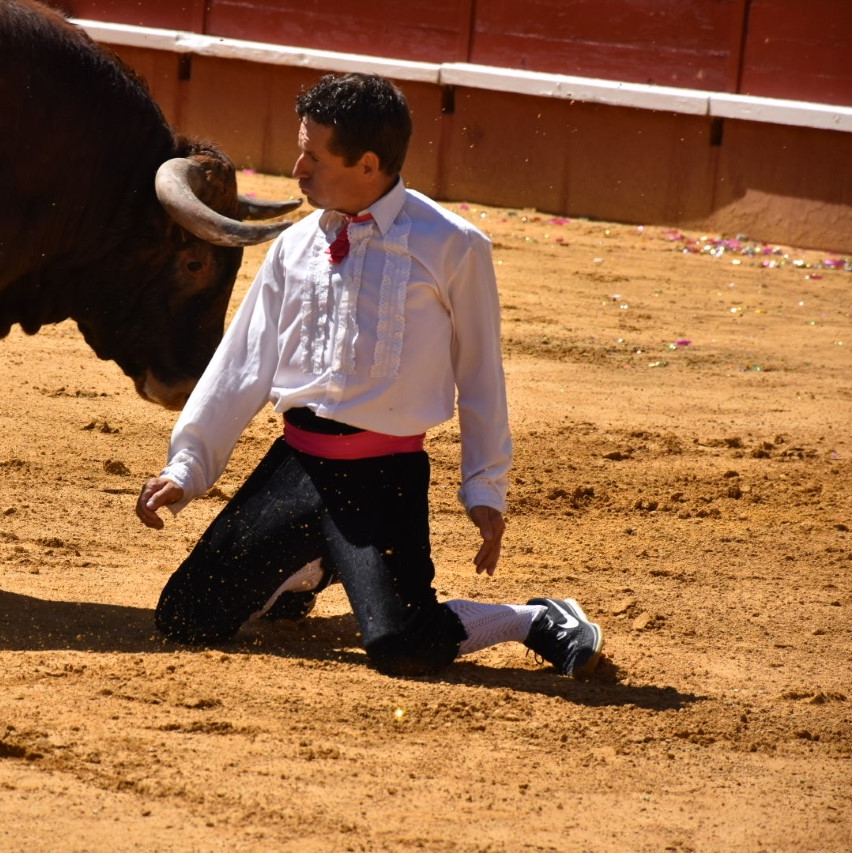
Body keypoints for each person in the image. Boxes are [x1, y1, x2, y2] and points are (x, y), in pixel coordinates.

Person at [135, 72, 603, 677]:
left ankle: (533, 618)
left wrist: (484, 486)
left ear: (369, 164)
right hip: (296, 466)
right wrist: (188, 468)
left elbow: (481, 373)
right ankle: (309, 567)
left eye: (314, 154)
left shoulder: (453, 246)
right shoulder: (295, 244)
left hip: (382, 480)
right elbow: (242, 365)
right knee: (186, 618)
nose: (297, 168)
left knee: (401, 647)